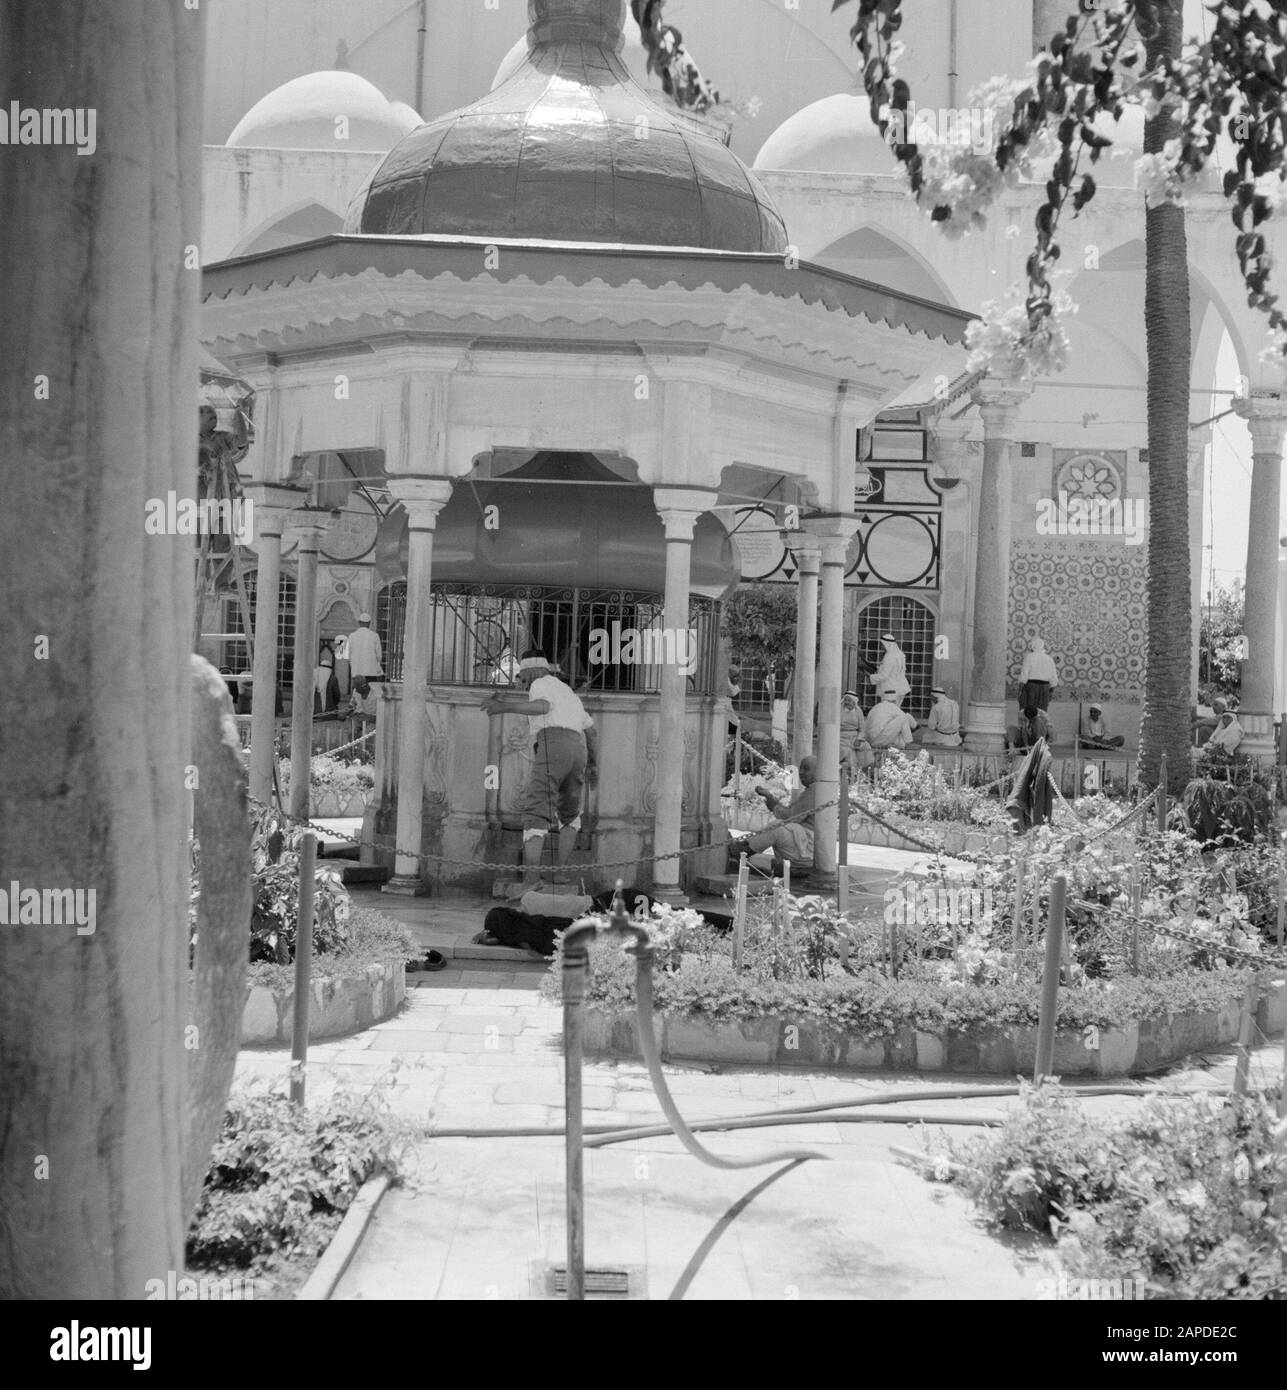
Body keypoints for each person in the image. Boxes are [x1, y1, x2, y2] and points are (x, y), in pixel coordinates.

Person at [481, 650, 598, 889]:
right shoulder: (568, 692)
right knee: (571, 814)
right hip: (579, 749)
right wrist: (593, 764)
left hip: (554, 744)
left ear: (531, 672)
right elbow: (591, 731)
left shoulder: (541, 683)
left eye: (523, 679)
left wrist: (502, 706)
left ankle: (531, 879)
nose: (523, 686)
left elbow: (543, 707)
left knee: (537, 809)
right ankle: (558, 874)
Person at [725, 755, 819, 874]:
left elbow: (791, 817)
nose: (801, 772)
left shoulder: (815, 791)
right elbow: (791, 814)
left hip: (808, 847)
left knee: (777, 829)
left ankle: (741, 852)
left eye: (806, 769)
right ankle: (743, 847)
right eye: (800, 768)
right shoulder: (814, 790)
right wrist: (770, 797)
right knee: (777, 826)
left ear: (818, 771)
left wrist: (772, 803)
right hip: (805, 843)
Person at [868, 633, 910, 706]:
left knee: (889, 712)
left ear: (887, 644)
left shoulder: (890, 656)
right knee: (894, 711)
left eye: (882, 644)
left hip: (891, 690)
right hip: (899, 688)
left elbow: (884, 675)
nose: (881, 646)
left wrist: (870, 677)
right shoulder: (898, 654)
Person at [1019, 635, 1058, 711]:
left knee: (1029, 712)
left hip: (1031, 687)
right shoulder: (1049, 659)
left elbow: (1024, 675)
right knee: (1042, 713)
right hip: (1045, 688)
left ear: (1033, 646)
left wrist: (1020, 691)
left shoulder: (1029, 657)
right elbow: (1054, 679)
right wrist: (1050, 692)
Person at [840, 691, 872, 774]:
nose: (846, 702)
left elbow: (862, 729)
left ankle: (866, 772)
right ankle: (853, 773)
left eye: (849, 700)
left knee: (866, 747)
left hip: (855, 736)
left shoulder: (858, 711)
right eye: (845, 700)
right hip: (842, 737)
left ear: (854, 702)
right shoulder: (840, 710)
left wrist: (858, 739)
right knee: (849, 752)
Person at [346, 611, 383, 682]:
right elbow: (379, 656)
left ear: (359, 623)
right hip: (371, 672)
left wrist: (354, 664)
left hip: (357, 672)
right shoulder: (374, 636)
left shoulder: (352, 636)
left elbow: (348, 656)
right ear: (369, 623)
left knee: (357, 692)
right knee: (370, 692)